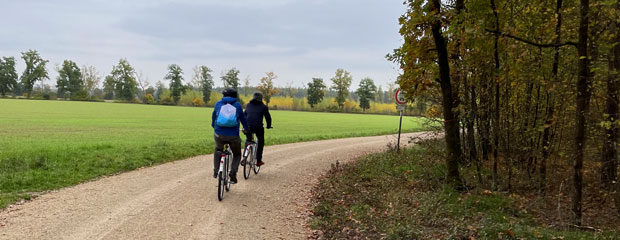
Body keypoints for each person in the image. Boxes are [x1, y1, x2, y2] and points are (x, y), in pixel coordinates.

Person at [211, 88, 248, 184]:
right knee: (237, 154)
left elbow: (214, 116)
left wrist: (214, 126)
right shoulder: (237, 105)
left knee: (218, 149)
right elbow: (243, 119)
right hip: (233, 136)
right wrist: (247, 129)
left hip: (219, 134)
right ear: (235, 96)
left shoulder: (218, 104)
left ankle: (216, 170)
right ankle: (233, 173)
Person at [243, 91, 272, 167]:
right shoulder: (263, 106)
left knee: (248, 140)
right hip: (258, 127)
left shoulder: (248, 105)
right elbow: (268, 118)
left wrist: (244, 126)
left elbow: (244, 115)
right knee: (260, 142)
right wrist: (268, 125)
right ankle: (258, 160)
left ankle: (245, 157)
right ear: (261, 98)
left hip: (248, 127)